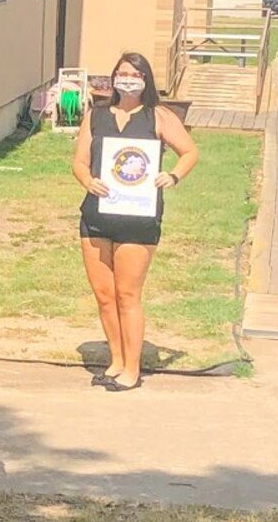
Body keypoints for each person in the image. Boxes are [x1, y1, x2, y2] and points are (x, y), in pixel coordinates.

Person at [72, 52, 198, 390]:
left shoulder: (159, 116)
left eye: (135, 73)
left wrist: (172, 176)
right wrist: (88, 181)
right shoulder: (95, 116)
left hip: (138, 217)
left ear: (146, 80)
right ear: (113, 78)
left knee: (127, 294)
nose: (128, 78)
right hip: (97, 215)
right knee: (104, 294)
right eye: (122, 72)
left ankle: (132, 369)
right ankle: (115, 359)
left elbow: (190, 152)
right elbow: (80, 163)